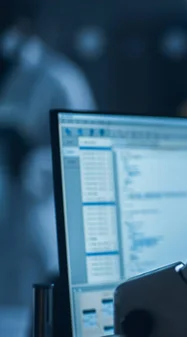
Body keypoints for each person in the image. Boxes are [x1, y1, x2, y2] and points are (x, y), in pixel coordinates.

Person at [0, 1, 96, 336]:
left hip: (34, 236)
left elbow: (84, 160)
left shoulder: (59, 79)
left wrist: (27, 159)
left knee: (31, 320)